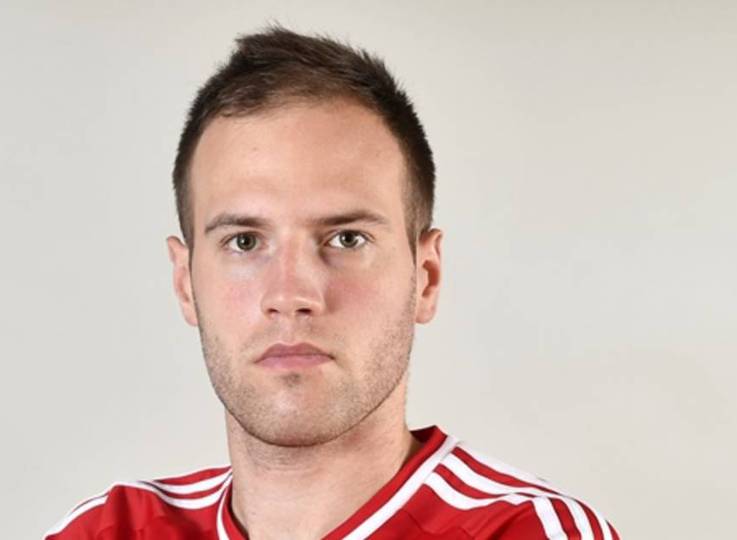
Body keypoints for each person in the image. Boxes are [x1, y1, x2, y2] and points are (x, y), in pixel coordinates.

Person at [45, 26, 619, 540]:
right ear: (185, 283)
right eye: (244, 242)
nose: (291, 296)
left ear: (426, 277)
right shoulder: (109, 532)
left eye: (346, 239)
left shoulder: (526, 533)